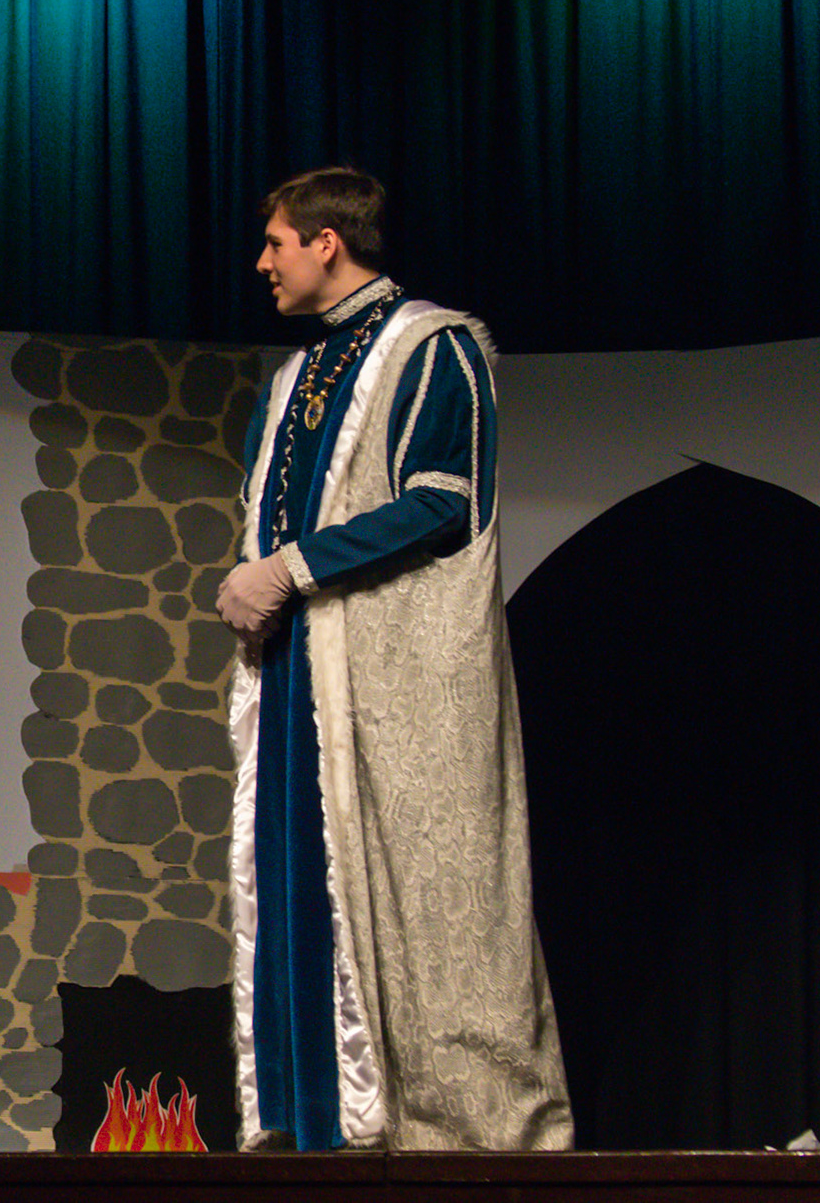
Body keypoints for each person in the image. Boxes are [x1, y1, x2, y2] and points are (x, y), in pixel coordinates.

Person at [216, 169, 572, 1151]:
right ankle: (307, 1127)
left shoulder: (433, 346)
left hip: (386, 679)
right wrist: (253, 578)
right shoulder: (290, 377)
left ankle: (456, 1135)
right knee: (292, 889)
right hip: (298, 674)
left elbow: (442, 500)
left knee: (417, 896)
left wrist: (288, 568)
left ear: (327, 241)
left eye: (277, 242)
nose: (263, 263)